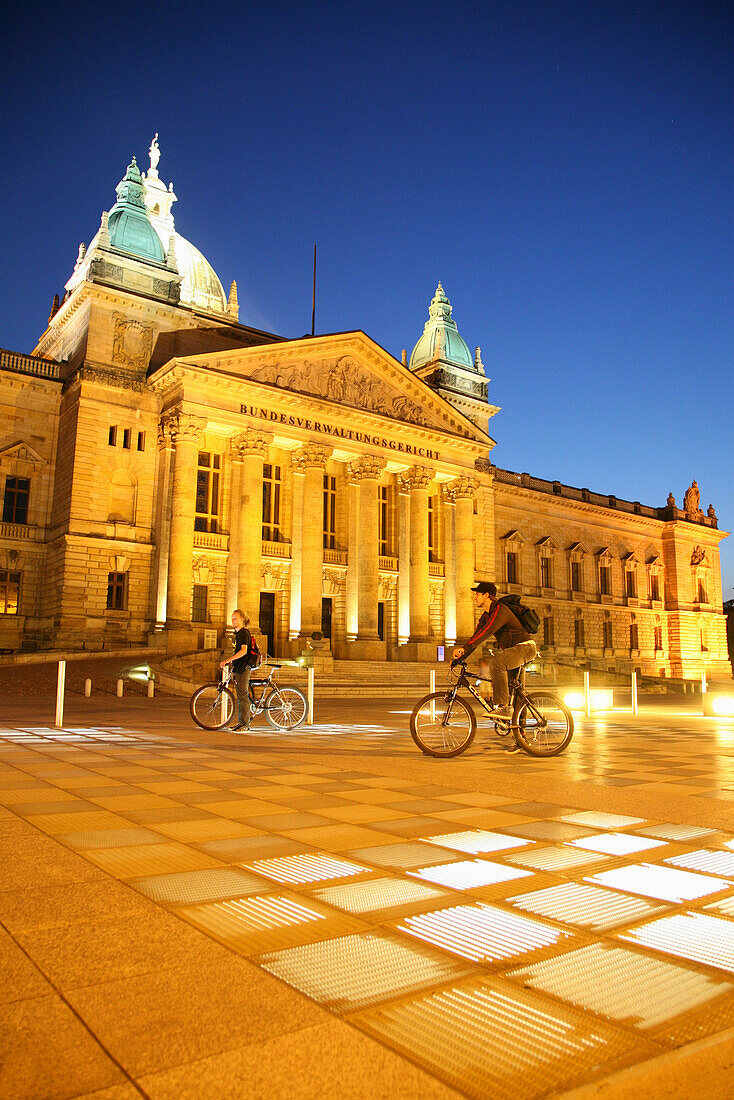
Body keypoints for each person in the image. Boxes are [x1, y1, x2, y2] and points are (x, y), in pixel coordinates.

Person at [453, 581, 537, 724]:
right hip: (513, 652)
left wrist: (464, 648)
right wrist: (461, 657)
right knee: (516, 693)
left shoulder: (500, 610)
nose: (475, 598)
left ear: (486, 595)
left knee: (497, 665)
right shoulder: (486, 616)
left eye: (478, 594)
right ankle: (520, 734)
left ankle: (503, 707)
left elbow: (488, 631)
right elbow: (476, 636)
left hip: (525, 648)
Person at [220, 609, 253, 731]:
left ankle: (245, 724)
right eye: (232, 618)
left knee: (243, 696)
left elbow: (243, 651)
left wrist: (228, 660)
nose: (232, 620)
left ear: (242, 620)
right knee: (241, 696)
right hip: (239, 667)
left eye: (235, 618)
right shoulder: (238, 634)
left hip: (243, 667)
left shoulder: (243, 633)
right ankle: (242, 722)